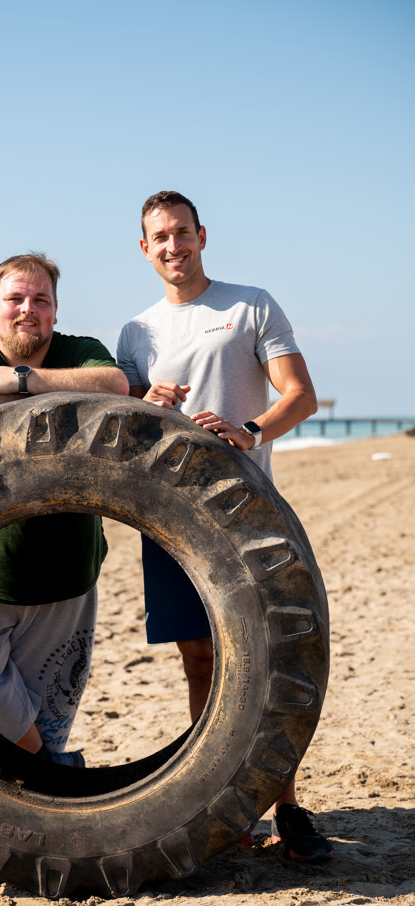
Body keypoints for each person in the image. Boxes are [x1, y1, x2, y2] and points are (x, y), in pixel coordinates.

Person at [116, 191, 332, 861]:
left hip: (248, 515)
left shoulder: (251, 304)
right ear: (144, 249)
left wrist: (249, 431)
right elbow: (124, 430)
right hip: (171, 520)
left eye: (183, 231)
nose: (174, 244)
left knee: (263, 660)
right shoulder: (135, 332)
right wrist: (144, 401)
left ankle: (288, 805)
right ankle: (226, 804)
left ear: (202, 235)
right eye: (161, 236)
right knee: (201, 661)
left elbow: (301, 394)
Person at [0, 252, 128, 766]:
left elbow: (115, 387)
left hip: (69, 576)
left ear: (56, 309)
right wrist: (68, 410)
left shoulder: (78, 350)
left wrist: (17, 381)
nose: (27, 309)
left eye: (40, 299)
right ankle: (54, 774)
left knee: (49, 712)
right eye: (15, 298)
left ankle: (47, 781)